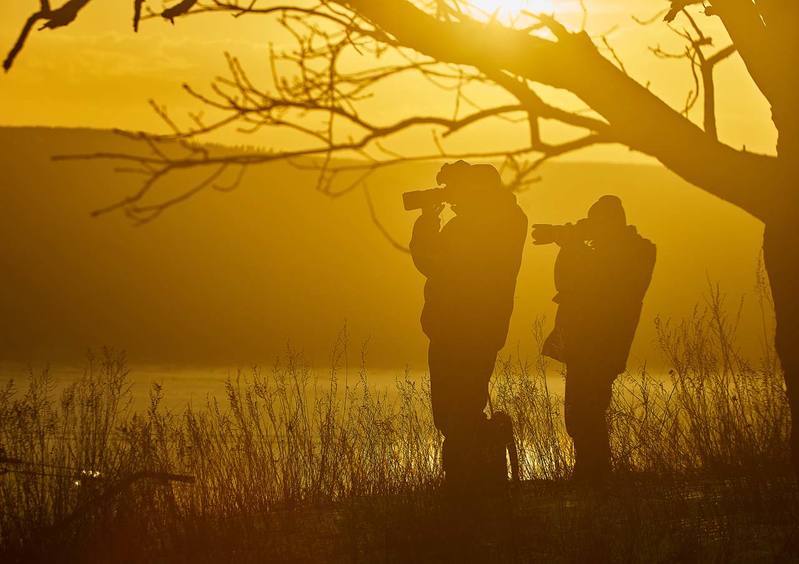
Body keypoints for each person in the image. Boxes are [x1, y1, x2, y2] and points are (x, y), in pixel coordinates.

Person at [409, 160, 527, 488]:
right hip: (479, 328)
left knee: (454, 411)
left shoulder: (474, 226)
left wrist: (428, 219)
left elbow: (431, 260)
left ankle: (468, 482)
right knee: (462, 408)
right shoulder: (508, 219)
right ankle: (478, 476)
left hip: (457, 329)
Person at [532, 195, 656, 484]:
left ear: (609, 226)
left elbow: (579, 283)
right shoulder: (624, 250)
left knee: (587, 410)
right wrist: (574, 240)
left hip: (600, 344)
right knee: (581, 411)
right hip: (591, 343)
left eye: (595, 225)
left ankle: (594, 475)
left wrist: (571, 243)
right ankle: (591, 471)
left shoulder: (633, 253)